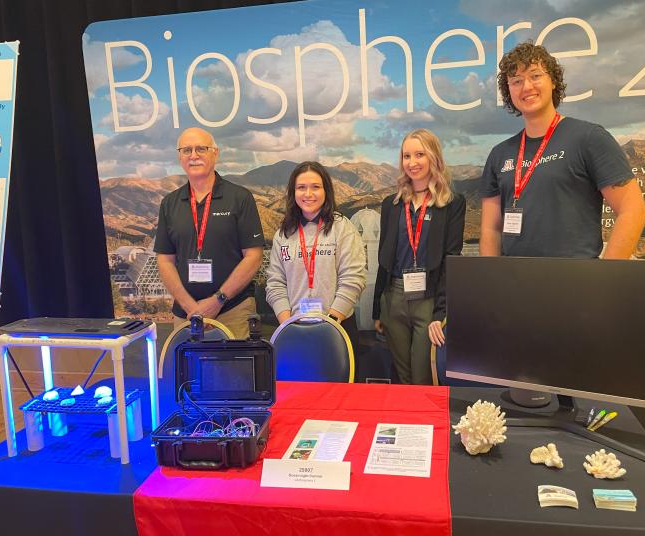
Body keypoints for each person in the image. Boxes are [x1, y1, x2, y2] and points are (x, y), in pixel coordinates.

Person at [479, 41, 645, 261]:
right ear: (508, 91)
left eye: (535, 76)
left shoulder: (589, 138)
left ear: (554, 82)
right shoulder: (500, 154)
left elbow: (633, 210)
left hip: (576, 285)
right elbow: (491, 230)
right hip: (514, 286)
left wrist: (605, 279)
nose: (526, 87)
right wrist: (491, 284)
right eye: (516, 81)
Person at [373, 129, 466, 384]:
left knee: (422, 374)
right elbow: (384, 258)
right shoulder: (391, 205)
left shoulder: (452, 203)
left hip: (428, 297)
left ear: (433, 157)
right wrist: (377, 311)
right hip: (394, 297)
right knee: (402, 376)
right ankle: (407, 423)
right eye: (406, 156)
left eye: (419, 154)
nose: (412, 163)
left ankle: (425, 424)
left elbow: (451, 259)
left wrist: (440, 313)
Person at [155, 127, 264, 339]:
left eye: (201, 149)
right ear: (179, 157)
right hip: (186, 315)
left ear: (215, 152)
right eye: (186, 150)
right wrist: (190, 307)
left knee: (233, 371)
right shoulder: (169, 203)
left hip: (233, 310)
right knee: (189, 372)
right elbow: (165, 260)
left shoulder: (240, 198)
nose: (193, 155)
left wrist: (218, 300)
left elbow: (254, 256)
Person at [266, 161, 366, 340]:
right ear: (293, 192)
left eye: (316, 187)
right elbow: (276, 283)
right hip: (294, 328)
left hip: (338, 326)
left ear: (326, 191)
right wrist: (287, 324)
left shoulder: (342, 227)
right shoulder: (283, 234)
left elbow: (353, 278)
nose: (308, 194)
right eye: (301, 187)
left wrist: (332, 322)